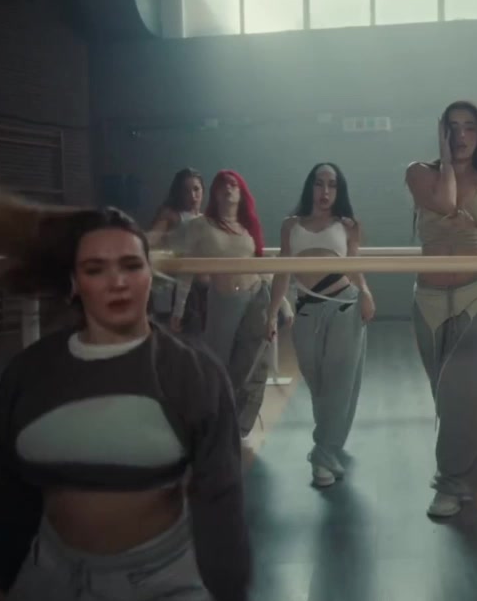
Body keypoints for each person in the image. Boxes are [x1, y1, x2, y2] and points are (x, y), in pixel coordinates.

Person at [0, 194, 286, 601]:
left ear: (151, 274)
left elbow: (220, 498)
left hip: (156, 587)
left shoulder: (190, 372)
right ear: (74, 282)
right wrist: (11, 577)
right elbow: (7, 491)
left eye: (131, 265)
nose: (117, 282)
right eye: (96, 269)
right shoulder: (29, 374)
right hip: (46, 580)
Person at [406, 100, 477, 519]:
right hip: (429, 298)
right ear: (441, 133)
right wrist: (447, 163)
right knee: (445, 392)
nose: (461, 135)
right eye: (452, 127)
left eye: (470, 127)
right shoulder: (419, 173)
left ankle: (452, 483)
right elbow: (446, 203)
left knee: (461, 388)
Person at [267, 162, 375, 488]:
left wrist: (366, 293)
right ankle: (330, 444)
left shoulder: (348, 226)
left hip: (344, 305)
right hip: (306, 310)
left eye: (332, 184)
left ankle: (323, 455)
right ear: (310, 187)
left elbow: (354, 264)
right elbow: (282, 271)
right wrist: (271, 313)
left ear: (339, 191)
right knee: (318, 385)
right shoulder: (290, 225)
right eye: (319, 183)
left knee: (339, 384)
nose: (325, 191)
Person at [171, 169, 271, 437]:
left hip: (256, 296)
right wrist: (178, 310)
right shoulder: (201, 225)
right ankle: (209, 421)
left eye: (234, 185)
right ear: (214, 193)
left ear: (242, 192)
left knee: (251, 362)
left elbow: (260, 265)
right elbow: (187, 269)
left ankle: (238, 425)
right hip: (225, 301)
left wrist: (279, 305)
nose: (228, 189)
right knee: (216, 364)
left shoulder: (248, 227)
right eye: (222, 185)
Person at [149, 168, 207, 331]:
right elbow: (152, 238)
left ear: (203, 190)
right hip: (173, 285)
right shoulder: (172, 215)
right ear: (179, 193)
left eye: (196, 189)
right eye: (186, 191)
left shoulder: (206, 219)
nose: (192, 196)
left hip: (201, 286)